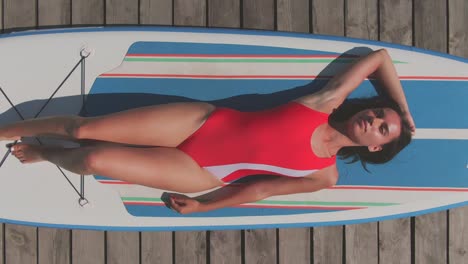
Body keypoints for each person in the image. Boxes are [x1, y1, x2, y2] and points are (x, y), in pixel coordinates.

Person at [0, 49, 415, 214]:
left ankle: (47, 154)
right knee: (85, 127)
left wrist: (206, 206)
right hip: (202, 121)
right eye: (380, 112)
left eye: (382, 128)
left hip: (202, 170)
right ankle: (6, 131)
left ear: (375, 146)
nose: (375, 120)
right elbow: (380, 58)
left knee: (92, 158)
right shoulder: (328, 102)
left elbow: (260, 190)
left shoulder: (325, 176)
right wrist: (405, 113)